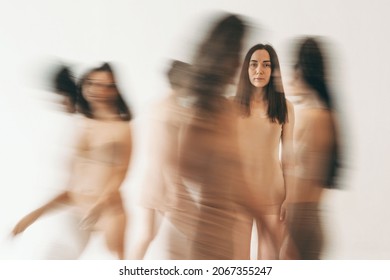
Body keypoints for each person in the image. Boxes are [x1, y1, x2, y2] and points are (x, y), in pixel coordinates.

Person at [12, 63, 133, 260]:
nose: (97, 90)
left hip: (107, 213)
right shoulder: (81, 126)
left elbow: (121, 174)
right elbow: (71, 188)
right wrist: (33, 216)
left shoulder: (121, 128)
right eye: (91, 84)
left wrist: (100, 205)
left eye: (106, 85)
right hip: (77, 210)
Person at [163, 13, 252, 259]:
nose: (239, 64)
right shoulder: (195, 114)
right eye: (236, 54)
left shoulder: (228, 110)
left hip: (224, 237)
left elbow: (241, 186)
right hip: (202, 241)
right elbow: (177, 178)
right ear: (220, 56)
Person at [281, 37, 341, 259]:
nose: (289, 79)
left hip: (300, 223)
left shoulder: (312, 117)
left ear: (302, 73)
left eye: (293, 72)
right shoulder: (327, 115)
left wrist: (284, 233)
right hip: (308, 220)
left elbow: (302, 179)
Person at [234, 44, 295, 259]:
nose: (259, 70)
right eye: (254, 64)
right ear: (246, 68)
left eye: (266, 65)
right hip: (239, 195)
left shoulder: (285, 107)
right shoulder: (231, 106)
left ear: (274, 71)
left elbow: (288, 157)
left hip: (273, 195)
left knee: (269, 263)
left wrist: (290, 198)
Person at [129, 60, 192, 259]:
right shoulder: (176, 112)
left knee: (146, 235)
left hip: (151, 179)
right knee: (195, 233)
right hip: (166, 182)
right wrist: (175, 187)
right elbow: (168, 153)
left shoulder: (156, 107)